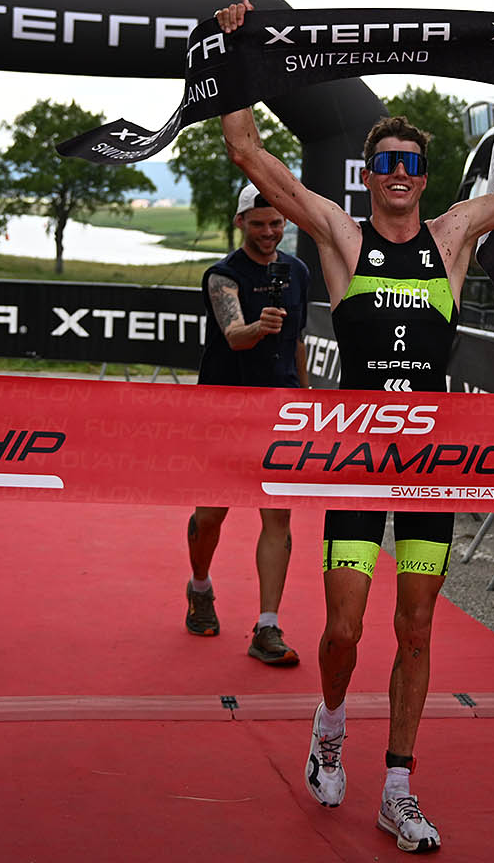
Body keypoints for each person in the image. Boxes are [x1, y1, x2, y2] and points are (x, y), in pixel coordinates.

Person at [217, 0, 494, 852]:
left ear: (424, 172)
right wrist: (236, 55)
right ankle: (330, 723)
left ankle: (400, 787)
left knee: (414, 628)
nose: (399, 173)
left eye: (411, 162)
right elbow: (250, 154)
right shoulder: (342, 240)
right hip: (357, 467)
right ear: (370, 172)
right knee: (343, 631)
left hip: (426, 469)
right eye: (385, 162)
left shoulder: (453, 238)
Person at [185, 183, 311, 667]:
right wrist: (260, 327)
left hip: (280, 410)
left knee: (278, 518)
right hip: (225, 411)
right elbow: (235, 335)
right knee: (210, 516)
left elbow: (297, 341)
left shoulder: (297, 271)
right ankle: (200, 588)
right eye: (258, 224)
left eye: (276, 223)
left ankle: (267, 626)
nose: (268, 232)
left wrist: (307, 400)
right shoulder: (223, 275)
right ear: (240, 222)